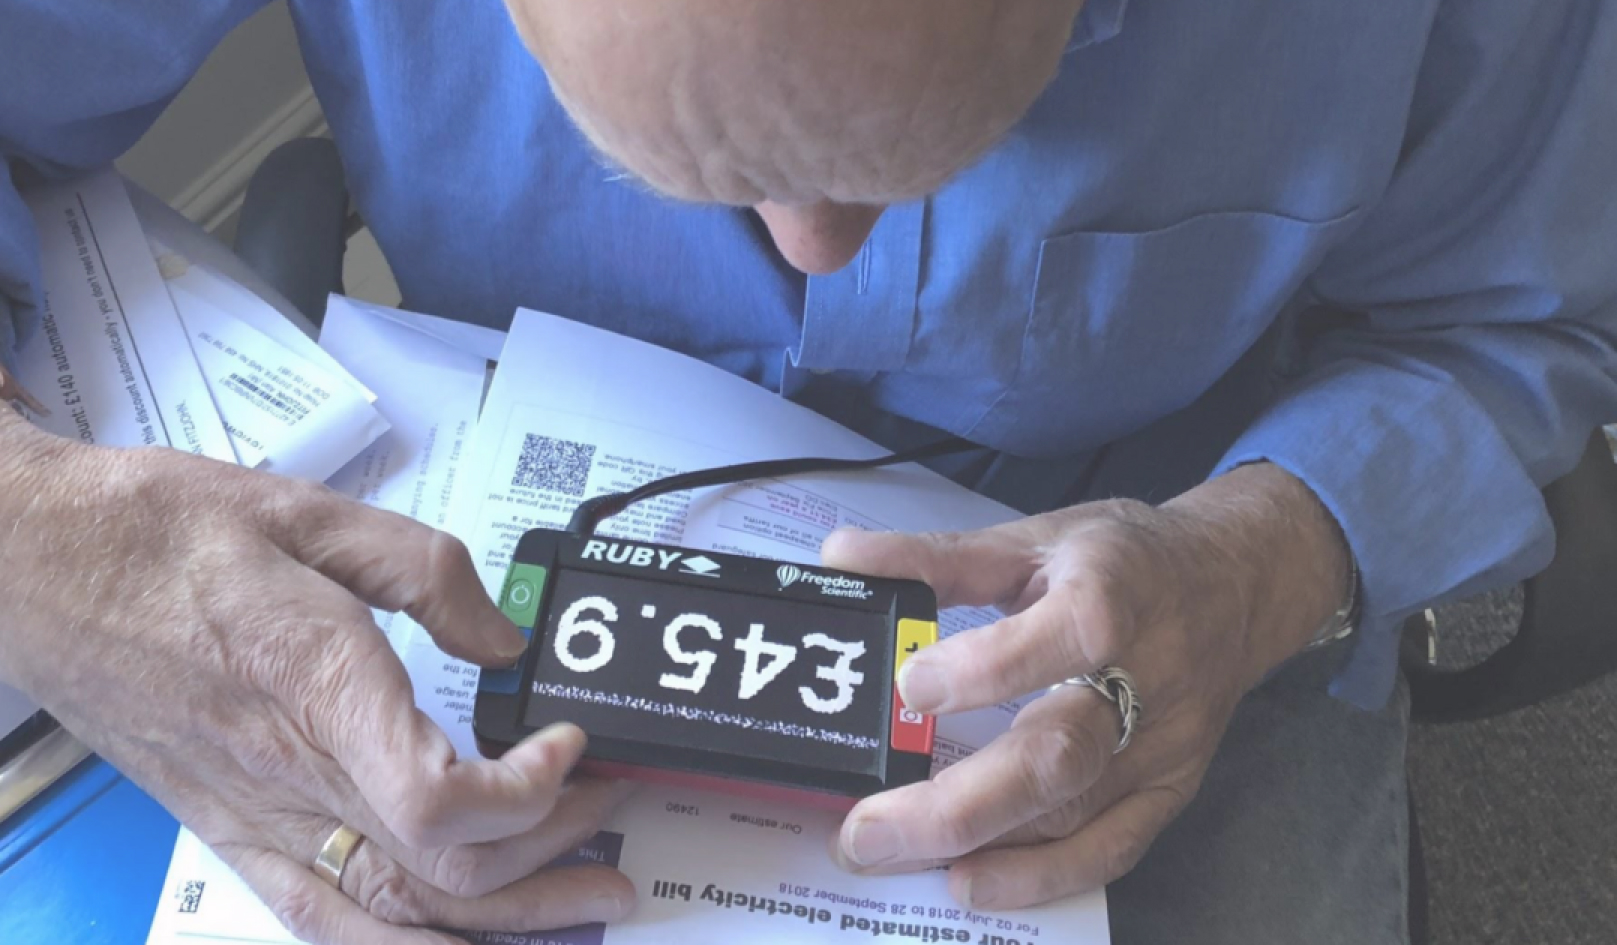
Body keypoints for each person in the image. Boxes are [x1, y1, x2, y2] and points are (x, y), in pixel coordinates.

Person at [2, 0, 1614, 942]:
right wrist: (47, 546)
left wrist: (1270, 556)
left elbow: (1524, 318)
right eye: (674, 167)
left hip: (1167, 582)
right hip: (506, 533)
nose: (811, 252)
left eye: (928, 152)